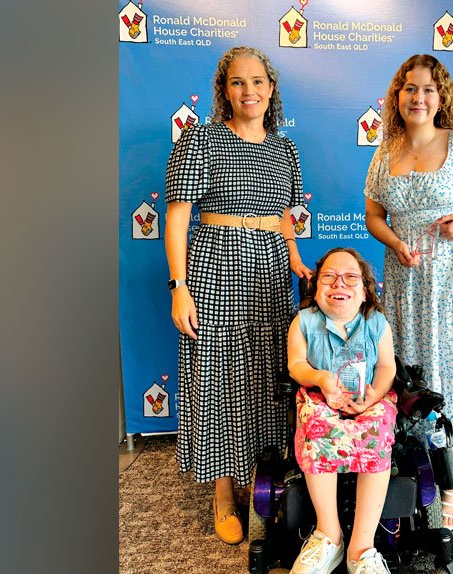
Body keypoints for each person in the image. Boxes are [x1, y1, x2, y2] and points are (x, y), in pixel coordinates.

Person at [164, 46, 311, 545]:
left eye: (258, 82)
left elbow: (286, 215)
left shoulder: (285, 149)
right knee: (219, 377)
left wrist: (294, 259)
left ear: (272, 89)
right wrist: (179, 288)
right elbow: (178, 218)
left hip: (270, 271)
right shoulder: (199, 141)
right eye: (237, 83)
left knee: (268, 375)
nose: (249, 91)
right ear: (223, 90)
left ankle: (263, 482)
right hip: (213, 265)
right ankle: (224, 494)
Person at [363, 54, 453, 530]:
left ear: (440, 95)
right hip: (406, 280)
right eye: (409, 89)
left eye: (427, 89)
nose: (418, 97)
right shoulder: (384, 153)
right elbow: (374, 217)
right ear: (397, 96)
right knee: (411, 369)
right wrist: (395, 243)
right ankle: (412, 469)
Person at [287, 248, 397, 574]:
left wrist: (374, 395)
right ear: (315, 288)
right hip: (321, 396)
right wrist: (320, 378)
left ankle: (361, 547)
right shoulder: (304, 321)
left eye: (351, 278)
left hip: (369, 398)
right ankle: (328, 535)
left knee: (377, 431)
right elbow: (296, 364)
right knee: (316, 423)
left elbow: (387, 366)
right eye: (329, 277)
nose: (340, 283)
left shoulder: (375, 323)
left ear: (365, 291)